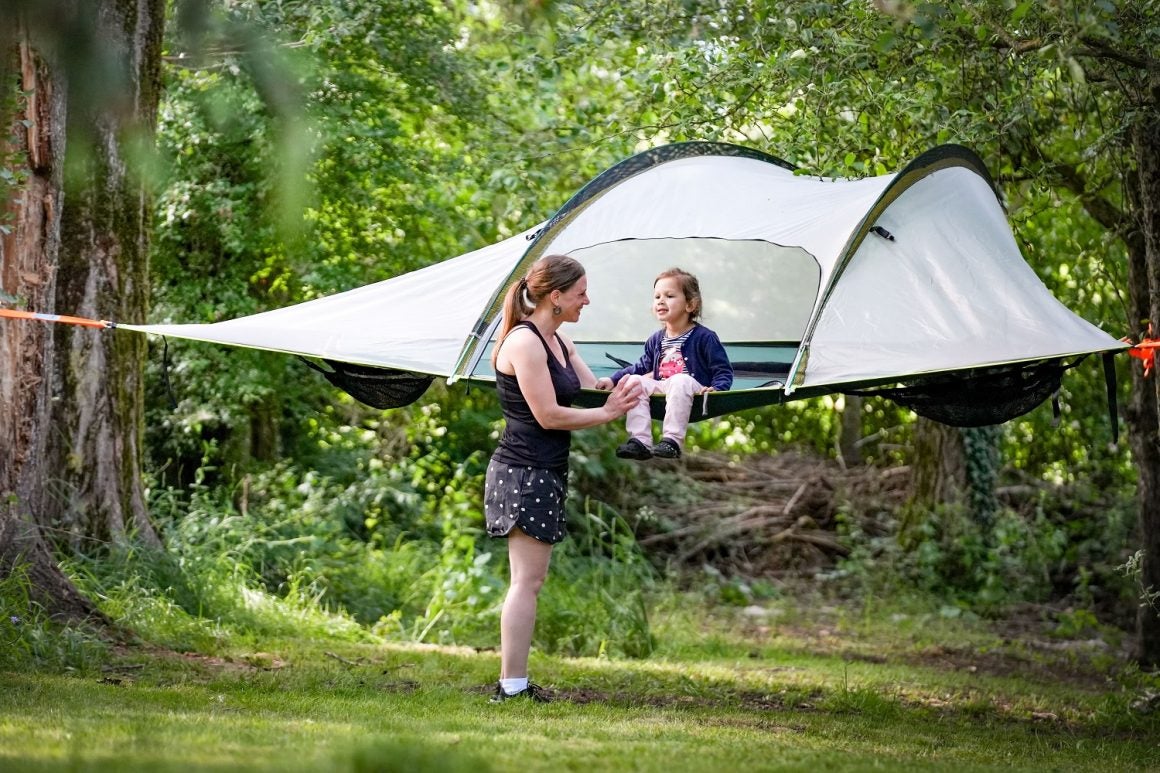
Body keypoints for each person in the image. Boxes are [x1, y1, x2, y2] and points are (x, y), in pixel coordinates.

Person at [484, 253, 642, 704]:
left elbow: (591, 390)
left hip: (545, 470)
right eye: (580, 293)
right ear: (555, 296)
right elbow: (549, 415)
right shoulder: (525, 343)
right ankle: (511, 686)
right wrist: (608, 414)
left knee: (531, 581)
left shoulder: (560, 341)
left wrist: (629, 384)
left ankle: (513, 682)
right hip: (522, 472)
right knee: (526, 582)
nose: (586, 301)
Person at [594, 267, 733, 460]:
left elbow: (723, 370)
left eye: (669, 296)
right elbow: (640, 367)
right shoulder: (656, 339)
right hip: (664, 387)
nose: (660, 300)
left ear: (690, 305)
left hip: (693, 388)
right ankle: (640, 441)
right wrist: (613, 380)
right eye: (657, 296)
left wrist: (717, 389)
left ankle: (672, 441)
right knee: (634, 381)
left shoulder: (704, 337)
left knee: (680, 380)